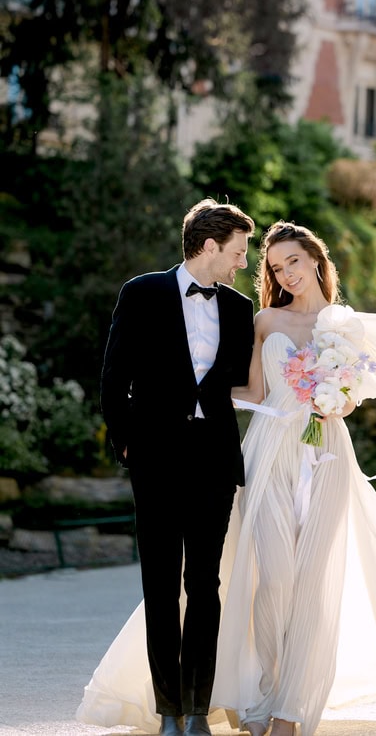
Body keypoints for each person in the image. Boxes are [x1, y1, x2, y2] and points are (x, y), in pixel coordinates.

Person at [77, 221, 376, 736]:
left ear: (316, 260)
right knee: (222, 582)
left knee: (274, 586)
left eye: (291, 263)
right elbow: (225, 387)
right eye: (270, 265)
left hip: (299, 455)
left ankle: (273, 709)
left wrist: (334, 398)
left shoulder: (315, 322)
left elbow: (344, 391)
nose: (276, 272)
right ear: (214, 247)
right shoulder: (234, 312)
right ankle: (210, 704)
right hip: (231, 455)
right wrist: (132, 438)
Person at [97, 198, 255, 736]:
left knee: (205, 584)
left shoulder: (238, 308)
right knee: (161, 585)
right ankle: (167, 710)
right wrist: (128, 447)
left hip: (214, 462)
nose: (242, 263)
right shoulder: (141, 293)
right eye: (237, 252)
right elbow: (112, 380)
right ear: (209, 246)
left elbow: (240, 384)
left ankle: (198, 710)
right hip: (155, 462)